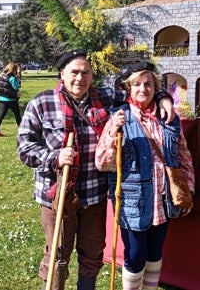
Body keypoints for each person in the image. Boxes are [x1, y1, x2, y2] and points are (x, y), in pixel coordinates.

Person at [16, 49, 176, 290]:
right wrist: (55, 157)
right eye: (74, 72)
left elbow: (140, 89)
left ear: (92, 76)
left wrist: (164, 97)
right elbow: (24, 148)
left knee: (92, 255)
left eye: (85, 72)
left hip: (94, 195)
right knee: (58, 254)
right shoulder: (41, 103)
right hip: (57, 194)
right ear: (62, 74)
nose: (80, 78)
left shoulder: (105, 97)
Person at [95, 61, 195, 290]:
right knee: (136, 254)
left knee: (154, 252)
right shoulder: (119, 117)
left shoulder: (168, 117)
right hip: (132, 201)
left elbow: (183, 155)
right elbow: (102, 163)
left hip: (163, 199)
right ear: (129, 88)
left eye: (148, 84)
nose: (143, 89)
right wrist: (112, 134)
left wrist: (188, 187)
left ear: (156, 87)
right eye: (137, 84)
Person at [0, 62, 22, 137]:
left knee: (1, 115)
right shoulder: (11, 77)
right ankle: (22, 130)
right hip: (10, 99)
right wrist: (18, 77)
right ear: (14, 70)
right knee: (17, 115)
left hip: (1, 98)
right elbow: (16, 86)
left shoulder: (1, 74)